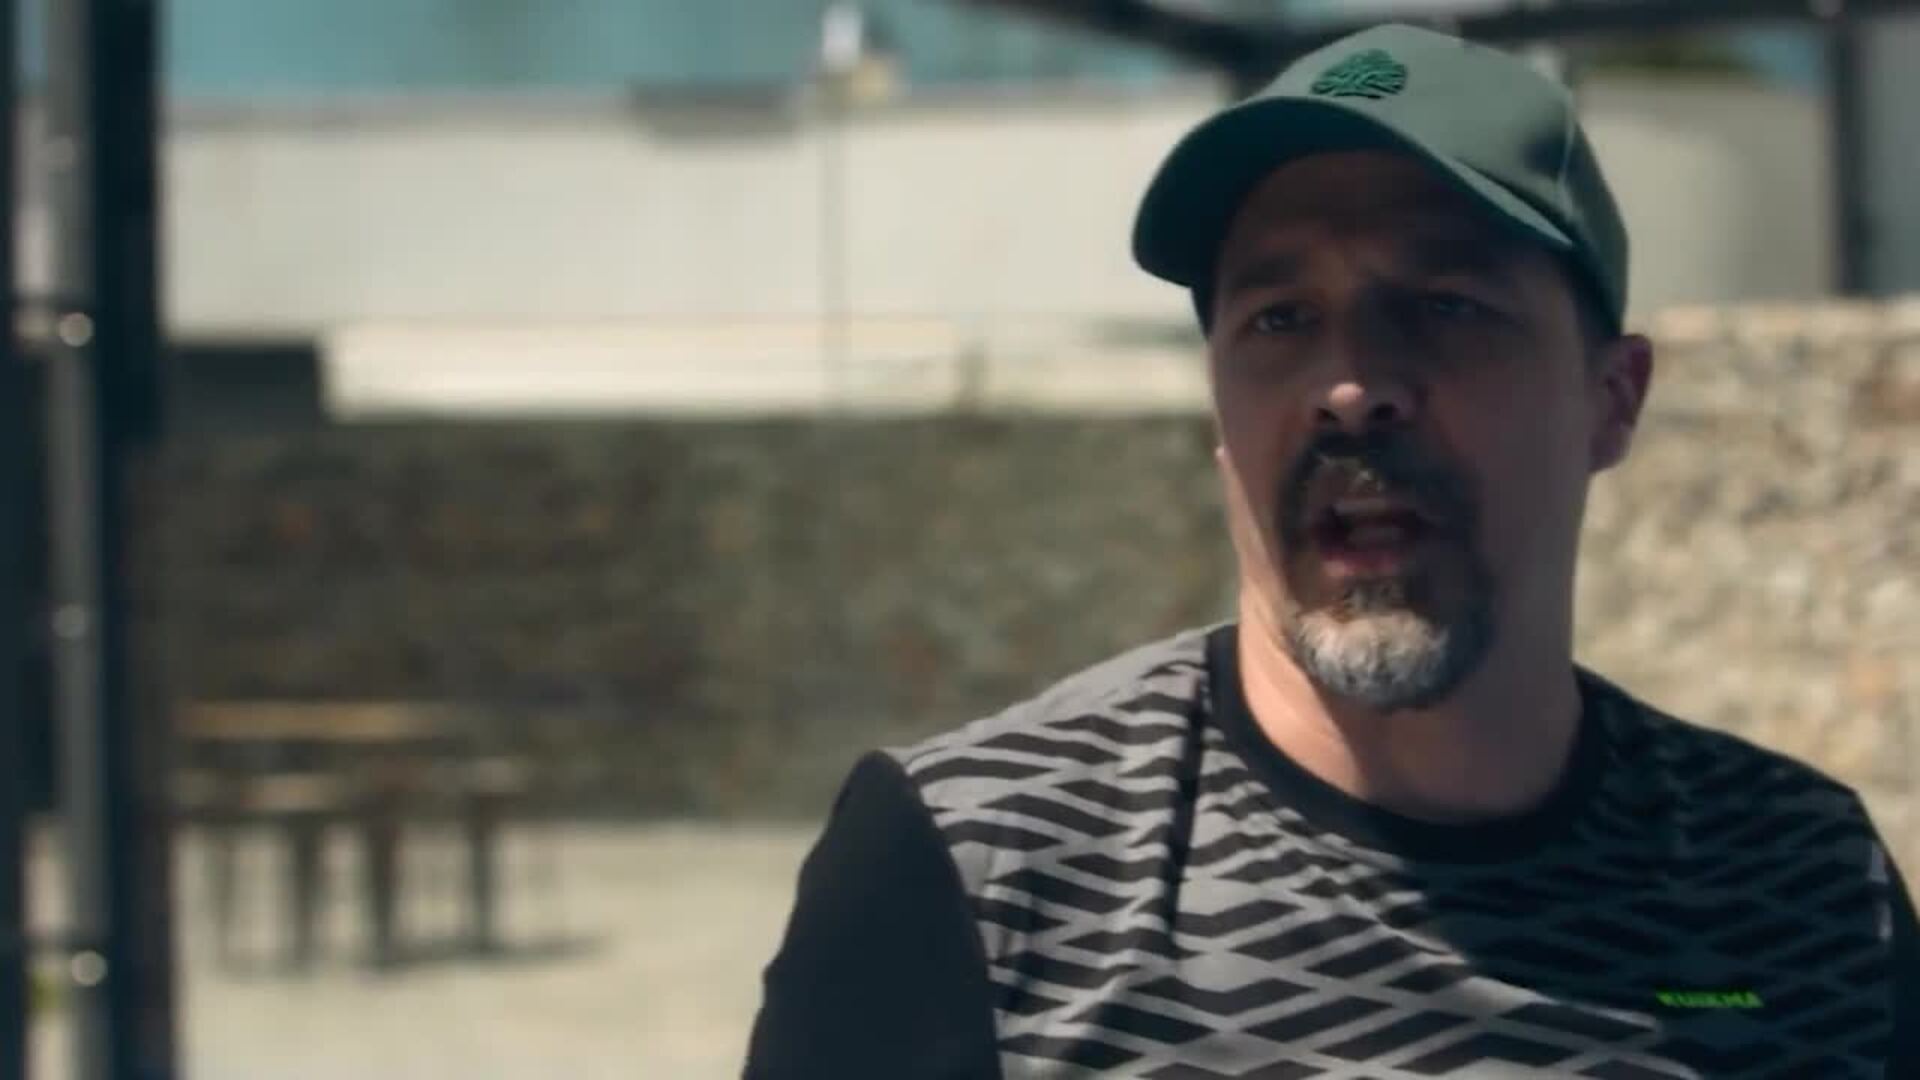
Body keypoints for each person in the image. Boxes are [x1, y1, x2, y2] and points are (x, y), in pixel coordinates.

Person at [743, 23, 1919, 1080]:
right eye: (1280, 319)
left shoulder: (1807, 884)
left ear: (1611, 401)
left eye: (1446, 304)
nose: (1351, 387)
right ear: (1220, 411)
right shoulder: (981, 870)